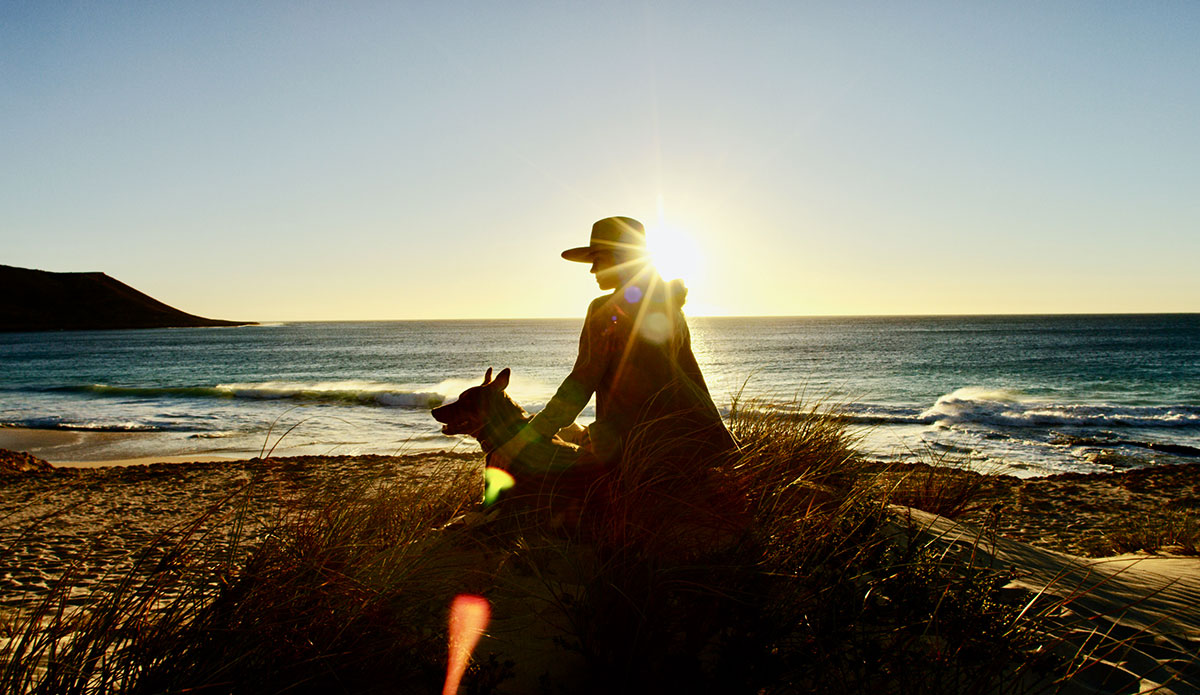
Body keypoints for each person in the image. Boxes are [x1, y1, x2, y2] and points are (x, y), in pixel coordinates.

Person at [499, 216, 737, 472]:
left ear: (622, 258)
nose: (592, 270)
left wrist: (524, 440)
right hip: (696, 441)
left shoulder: (605, 309)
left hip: (637, 448)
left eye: (597, 260)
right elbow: (693, 377)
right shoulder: (671, 306)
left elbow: (581, 382)